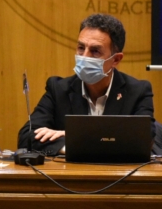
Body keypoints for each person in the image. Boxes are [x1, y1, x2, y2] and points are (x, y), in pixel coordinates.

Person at [18, 13, 155, 156]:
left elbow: (144, 140)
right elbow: (26, 137)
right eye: (81, 48)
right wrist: (70, 147)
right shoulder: (58, 89)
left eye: (95, 51)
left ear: (116, 60)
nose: (84, 56)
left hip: (120, 175)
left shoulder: (137, 91)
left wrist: (71, 136)